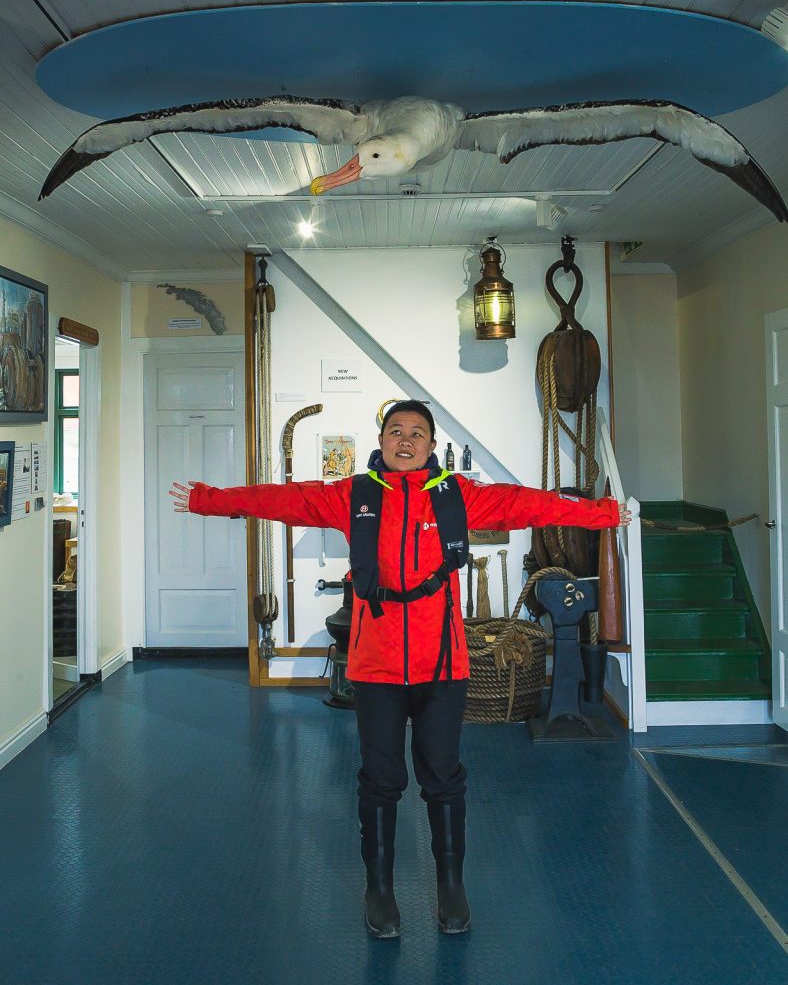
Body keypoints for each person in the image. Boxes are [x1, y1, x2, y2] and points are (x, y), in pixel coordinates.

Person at [170, 400, 630, 939]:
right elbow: (282, 500)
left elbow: (527, 505)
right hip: (377, 667)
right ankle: (380, 890)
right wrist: (210, 500)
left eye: (417, 432)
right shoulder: (354, 496)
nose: (405, 440)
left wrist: (603, 515)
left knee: (444, 778)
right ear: (382, 440)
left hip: (442, 665)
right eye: (396, 431)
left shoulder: (458, 496)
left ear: (432, 446)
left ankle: (451, 885)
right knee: (381, 780)